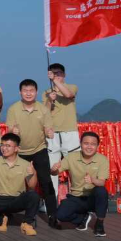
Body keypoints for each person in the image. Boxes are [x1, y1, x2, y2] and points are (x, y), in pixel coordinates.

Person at [5, 79, 59, 227]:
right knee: (17, 184)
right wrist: (12, 131)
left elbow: (49, 130)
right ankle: (15, 214)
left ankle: (53, 216)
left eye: (31, 91)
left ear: (36, 92)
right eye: (25, 90)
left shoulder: (43, 109)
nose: (28, 93)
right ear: (20, 92)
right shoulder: (13, 109)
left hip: (39, 149)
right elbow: (9, 131)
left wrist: (49, 133)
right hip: (20, 152)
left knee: (46, 182)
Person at [0, 133, 40, 236]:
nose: (4, 148)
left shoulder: (25, 164)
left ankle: (27, 223)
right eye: (2, 145)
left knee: (33, 195)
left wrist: (33, 174)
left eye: (8, 146)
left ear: (17, 148)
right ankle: (2, 219)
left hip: (17, 199)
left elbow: (32, 186)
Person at [52, 131, 109, 237]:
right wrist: (54, 169)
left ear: (97, 146)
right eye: (86, 143)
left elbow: (102, 182)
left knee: (101, 191)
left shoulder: (102, 160)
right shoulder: (71, 157)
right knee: (60, 215)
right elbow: (56, 171)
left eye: (93, 144)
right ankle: (83, 218)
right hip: (76, 197)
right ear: (80, 144)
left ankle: (99, 224)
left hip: (92, 198)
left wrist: (93, 180)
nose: (89, 147)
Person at [45, 63, 81, 200]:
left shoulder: (72, 87)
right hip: (52, 135)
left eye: (58, 73)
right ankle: (51, 203)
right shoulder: (46, 92)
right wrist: (49, 99)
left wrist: (55, 81)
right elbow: (45, 112)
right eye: (53, 73)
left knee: (75, 167)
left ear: (64, 75)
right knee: (52, 170)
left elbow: (68, 94)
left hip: (69, 133)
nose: (56, 75)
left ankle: (79, 198)